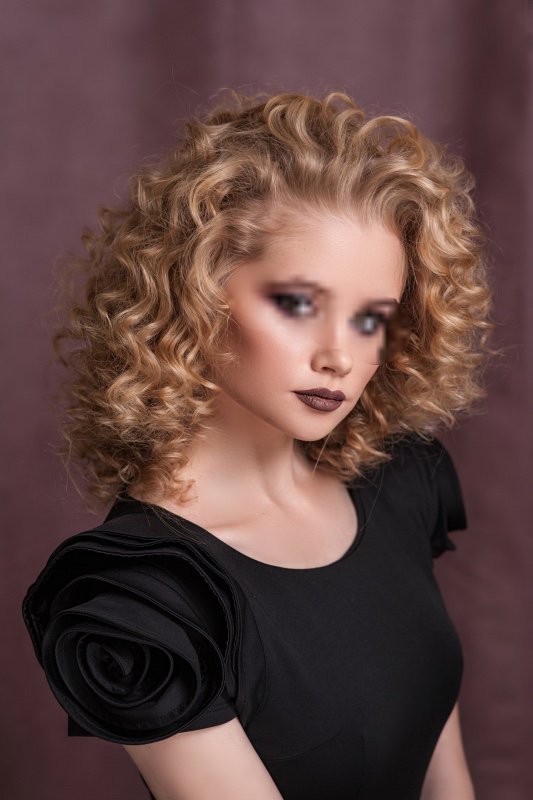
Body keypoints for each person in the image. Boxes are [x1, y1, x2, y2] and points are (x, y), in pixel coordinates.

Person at [22, 90, 497, 800]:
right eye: (298, 304)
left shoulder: (398, 479)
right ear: (194, 291)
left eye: (371, 318)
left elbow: (445, 779)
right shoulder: (145, 596)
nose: (339, 356)